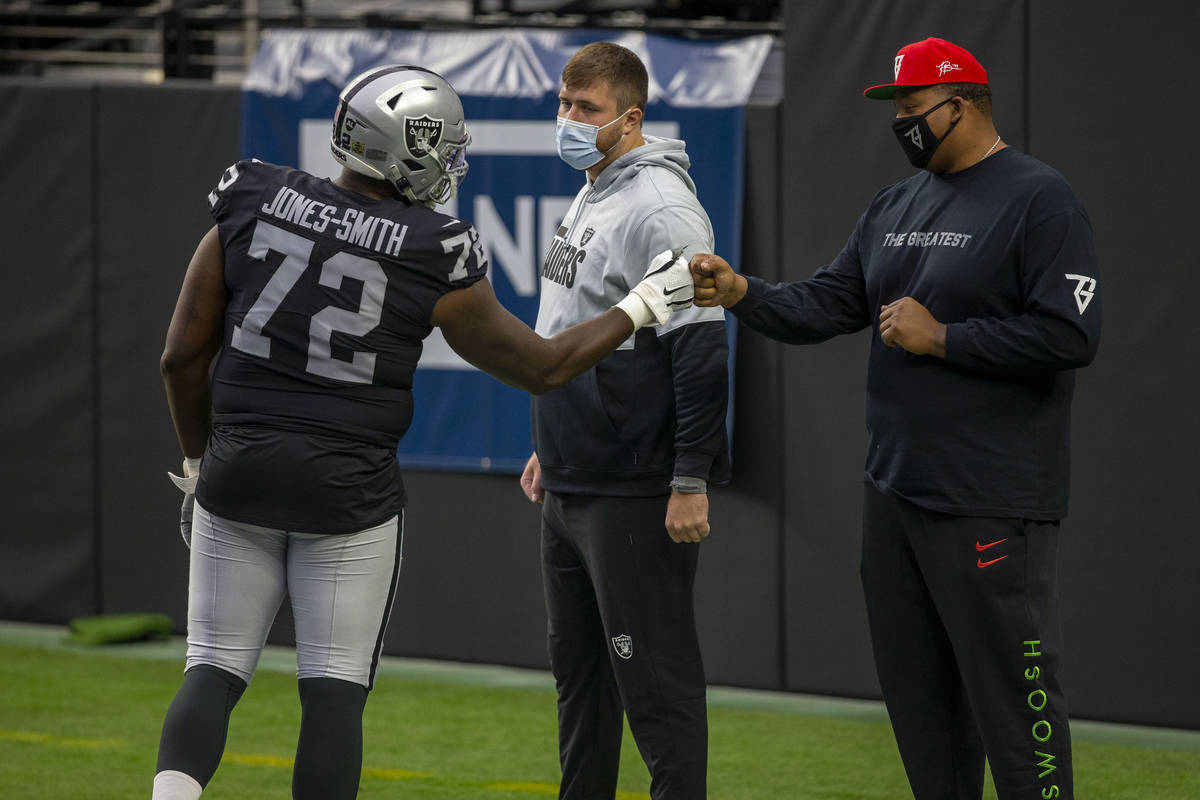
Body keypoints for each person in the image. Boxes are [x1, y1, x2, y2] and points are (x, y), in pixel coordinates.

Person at [152, 64, 695, 800]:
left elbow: (182, 354)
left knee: (212, 666)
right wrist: (643, 304)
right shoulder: (432, 246)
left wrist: (196, 460)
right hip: (346, 494)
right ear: (403, 148)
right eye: (441, 146)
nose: (451, 163)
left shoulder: (253, 193)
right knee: (334, 692)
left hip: (236, 472)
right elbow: (543, 367)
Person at [691, 37, 1099, 800]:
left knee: (1015, 705)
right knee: (921, 710)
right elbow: (829, 302)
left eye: (913, 109)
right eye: (898, 111)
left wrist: (943, 337)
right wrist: (745, 291)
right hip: (896, 496)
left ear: (964, 103)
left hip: (988, 499)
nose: (902, 123)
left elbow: (1072, 333)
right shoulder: (894, 205)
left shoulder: (1039, 198)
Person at [518, 42, 730, 800]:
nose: (569, 121)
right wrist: (550, 442)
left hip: (634, 486)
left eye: (588, 110)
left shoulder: (661, 208)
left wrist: (691, 477)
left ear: (631, 118)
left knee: (656, 687)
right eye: (565, 105)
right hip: (573, 476)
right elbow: (565, 326)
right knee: (581, 685)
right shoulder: (592, 188)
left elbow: (702, 350)